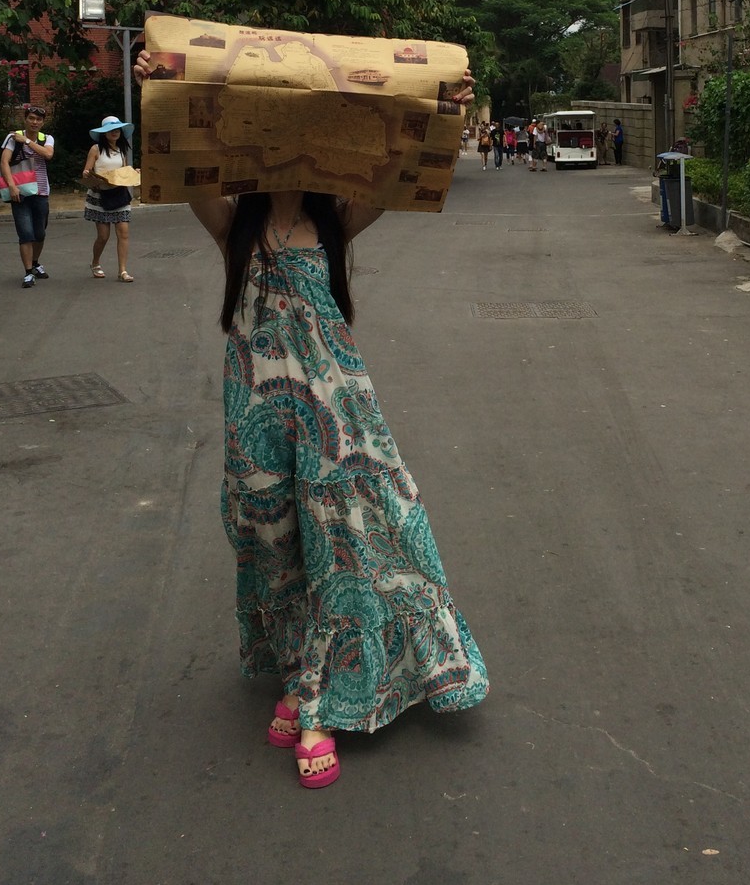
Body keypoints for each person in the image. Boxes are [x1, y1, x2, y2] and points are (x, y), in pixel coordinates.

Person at [132, 50, 489, 789]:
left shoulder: (338, 222)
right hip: (255, 402)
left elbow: (402, 170)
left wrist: (446, 110)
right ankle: (298, 674)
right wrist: (155, 92)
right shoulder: (232, 222)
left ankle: (322, 700)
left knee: (343, 536)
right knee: (270, 537)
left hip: (336, 407)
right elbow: (178, 158)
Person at [0, 103, 55, 289]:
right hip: (20, 192)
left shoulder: (46, 138)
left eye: (38, 119)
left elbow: (48, 155)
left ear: (42, 122)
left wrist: (28, 142)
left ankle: (36, 262)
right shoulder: (13, 137)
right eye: (31, 118)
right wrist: (12, 186)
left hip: (41, 192)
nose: (34, 122)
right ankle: (28, 272)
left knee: (40, 233)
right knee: (25, 234)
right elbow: (4, 162)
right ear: (25, 119)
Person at [82, 115, 136, 282]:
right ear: (103, 133)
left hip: (119, 194)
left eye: (117, 129)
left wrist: (134, 173)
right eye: (110, 130)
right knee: (103, 236)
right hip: (100, 195)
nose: (114, 132)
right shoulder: (95, 149)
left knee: (124, 233)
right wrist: (89, 176)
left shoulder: (122, 150)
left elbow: (124, 171)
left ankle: (123, 271)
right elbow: (86, 172)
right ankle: (95, 263)